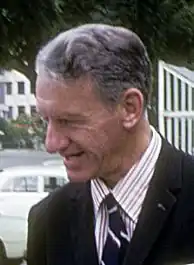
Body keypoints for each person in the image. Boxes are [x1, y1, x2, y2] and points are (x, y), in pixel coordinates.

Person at [27, 24, 194, 265]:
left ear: (130, 108)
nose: (51, 143)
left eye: (68, 121)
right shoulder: (48, 220)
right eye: (46, 120)